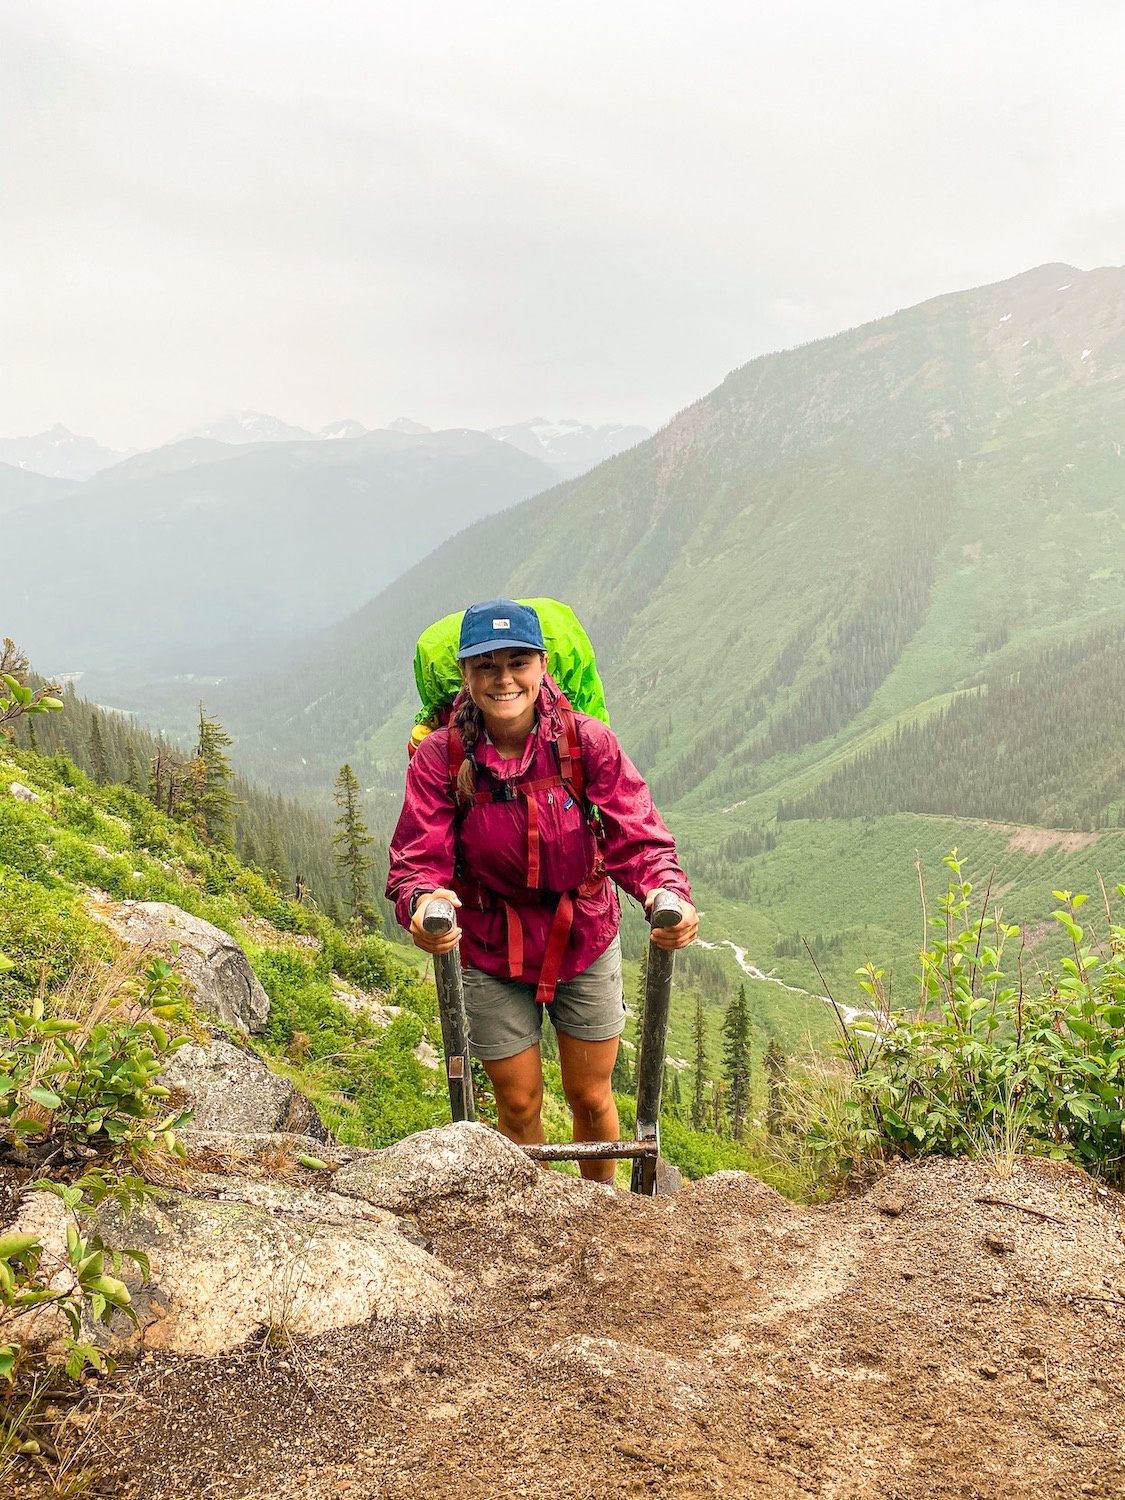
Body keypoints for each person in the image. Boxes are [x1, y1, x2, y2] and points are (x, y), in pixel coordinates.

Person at [387, 598, 697, 1182]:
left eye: (518, 661)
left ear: (543, 664)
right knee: (519, 1101)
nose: (503, 678)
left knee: (591, 1096)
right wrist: (423, 899)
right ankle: (537, 1216)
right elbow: (417, 855)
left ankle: (599, 1213)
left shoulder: (586, 743)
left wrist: (662, 890)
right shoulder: (441, 756)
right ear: (464, 673)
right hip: (487, 941)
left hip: (582, 930)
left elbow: (637, 834)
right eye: (486, 665)